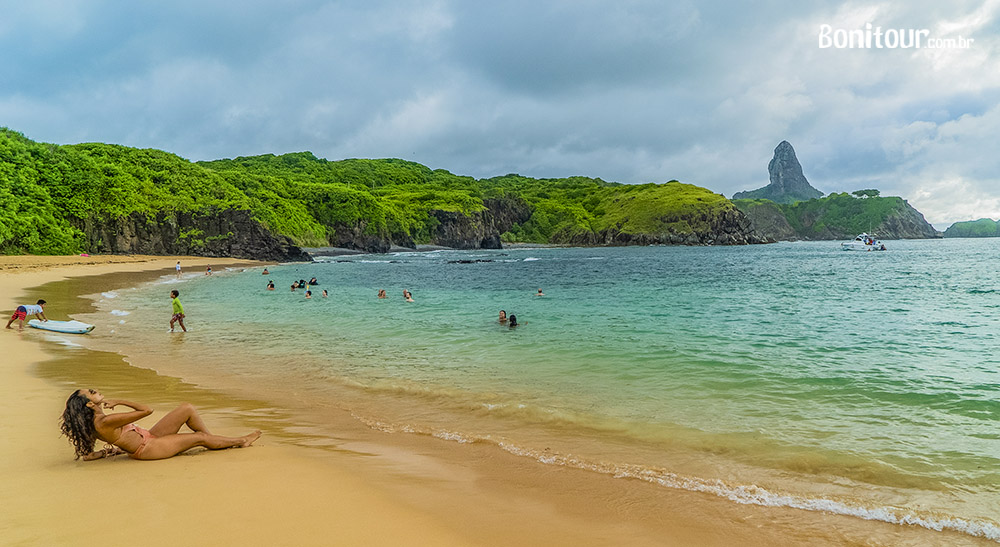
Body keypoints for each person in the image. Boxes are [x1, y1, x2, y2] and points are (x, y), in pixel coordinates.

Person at [60, 388, 260, 461]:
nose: (97, 391)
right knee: (200, 437)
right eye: (93, 392)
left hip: (150, 437)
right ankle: (240, 441)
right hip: (148, 449)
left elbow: (87, 456)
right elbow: (146, 410)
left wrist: (108, 452)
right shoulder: (104, 420)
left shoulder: (92, 422)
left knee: (187, 408)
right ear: (89, 403)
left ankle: (212, 442)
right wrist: (119, 401)